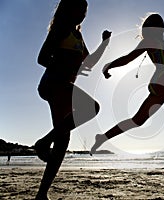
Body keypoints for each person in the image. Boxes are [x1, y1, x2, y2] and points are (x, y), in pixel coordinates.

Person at [90, 13, 164, 155]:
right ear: (149, 29)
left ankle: (102, 137)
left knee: (137, 121)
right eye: (156, 27)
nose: (160, 30)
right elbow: (128, 58)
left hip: (162, 87)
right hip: (163, 80)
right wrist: (109, 65)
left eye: (161, 27)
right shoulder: (149, 42)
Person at [34, 0, 111, 199]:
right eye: (80, 8)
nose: (83, 13)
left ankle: (41, 195)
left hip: (60, 86)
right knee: (91, 108)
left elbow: (89, 62)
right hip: (53, 83)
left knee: (62, 140)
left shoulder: (78, 35)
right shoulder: (61, 29)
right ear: (68, 9)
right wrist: (62, 68)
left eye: (85, 10)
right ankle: (43, 143)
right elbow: (42, 57)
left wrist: (104, 43)